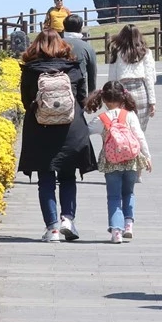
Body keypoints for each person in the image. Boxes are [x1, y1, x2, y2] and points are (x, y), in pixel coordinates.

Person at [18, 30, 97, 242]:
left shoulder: (30, 70)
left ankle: (52, 228)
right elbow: (82, 98)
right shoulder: (72, 67)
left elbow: (26, 102)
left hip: (40, 129)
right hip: (70, 129)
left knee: (45, 179)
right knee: (68, 176)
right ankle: (67, 219)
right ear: (62, 45)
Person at [85, 81, 151, 243]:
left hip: (111, 162)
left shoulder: (101, 119)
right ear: (123, 97)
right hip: (131, 161)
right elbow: (140, 136)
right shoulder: (129, 115)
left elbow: (85, 131)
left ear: (104, 100)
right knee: (128, 192)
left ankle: (116, 230)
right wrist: (147, 156)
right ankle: (128, 223)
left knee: (114, 196)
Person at [108, 24, 157, 130]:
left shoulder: (117, 52)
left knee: (123, 128)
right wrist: (152, 101)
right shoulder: (145, 52)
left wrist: (110, 97)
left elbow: (112, 77)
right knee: (139, 130)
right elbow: (149, 77)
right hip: (140, 90)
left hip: (122, 91)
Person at [63, 14, 97, 95]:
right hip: (79, 92)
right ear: (80, 28)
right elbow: (92, 75)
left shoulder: (55, 45)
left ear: (64, 27)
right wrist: (91, 96)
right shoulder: (87, 48)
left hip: (57, 92)